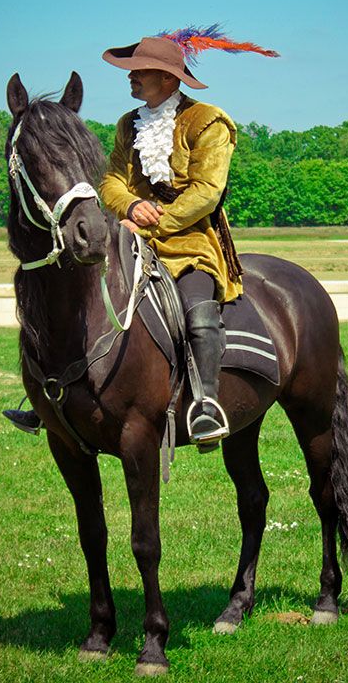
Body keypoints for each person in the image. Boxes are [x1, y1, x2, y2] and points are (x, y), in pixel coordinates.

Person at [99, 34, 243, 451]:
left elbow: (206, 193)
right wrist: (129, 205)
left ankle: (205, 405)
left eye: (139, 71)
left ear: (166, 78)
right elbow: (111, 180)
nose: (131, 78)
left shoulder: (209, 122)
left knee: (198, 313)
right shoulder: (129, 124)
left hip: (190, 242)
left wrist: (146, 224)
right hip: (130, 237)